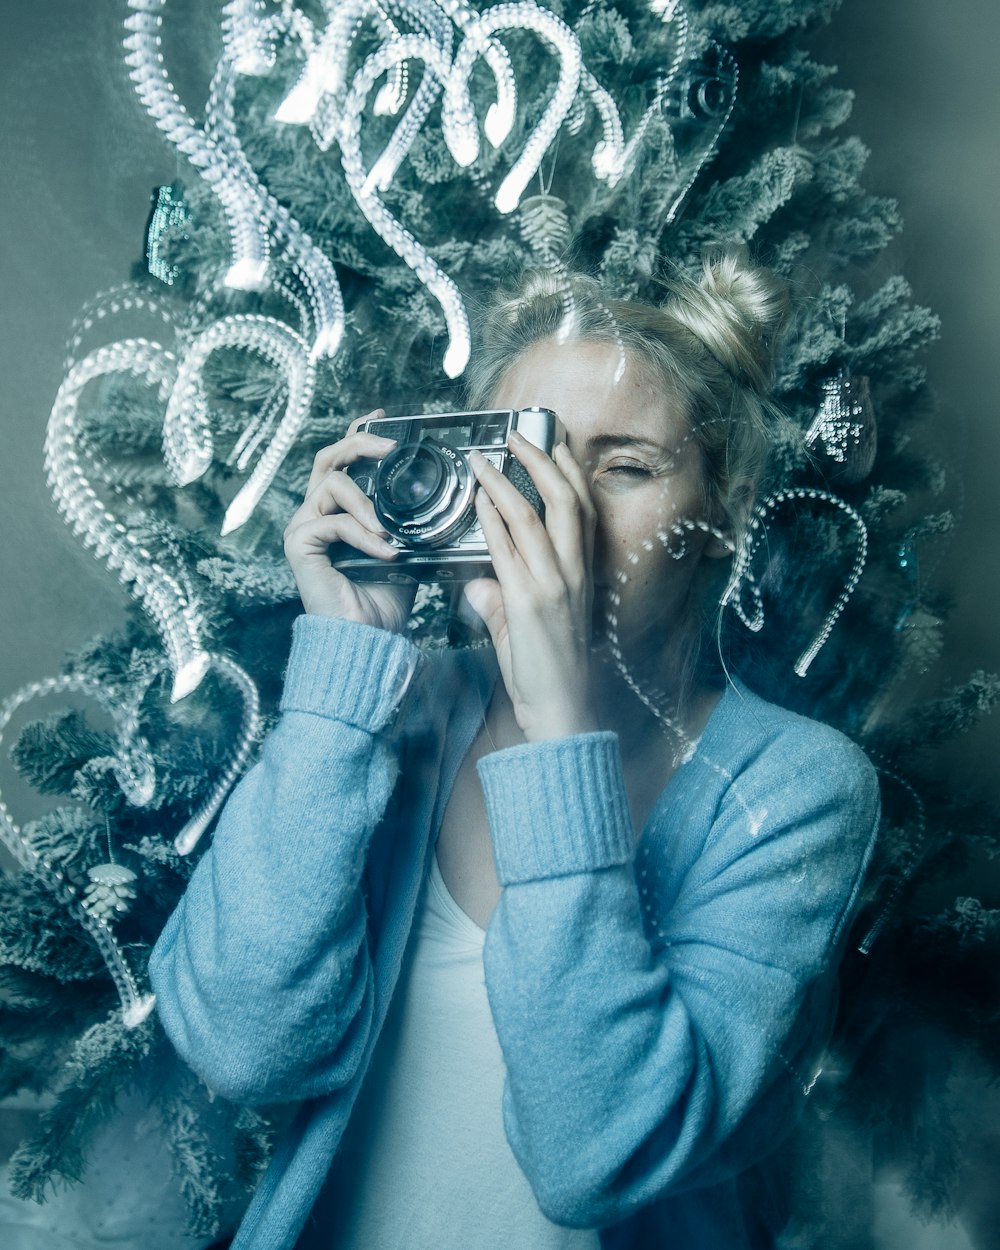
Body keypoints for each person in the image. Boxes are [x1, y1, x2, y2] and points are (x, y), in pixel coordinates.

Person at [149, 249, 881, 1249]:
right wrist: (342, 675)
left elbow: (593, 1155)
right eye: (517, 460)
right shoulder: (398, 712)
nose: (553, 512)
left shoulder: (795, 786)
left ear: (729, 513)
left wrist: (556, 730)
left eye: (623, 465)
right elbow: (242, 1048)